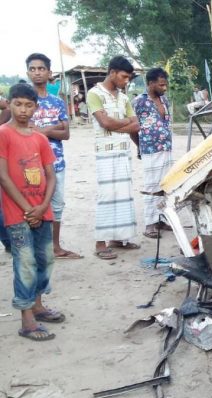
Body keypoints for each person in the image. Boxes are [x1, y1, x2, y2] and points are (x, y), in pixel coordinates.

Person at [0, 83, 64, 341]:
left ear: (36, 108)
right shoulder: (3, 133)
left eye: (29, 105)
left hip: (42, 210)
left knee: (45, 258)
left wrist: (42, 206)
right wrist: (28, 209)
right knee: (25, 262)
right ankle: (27, 319)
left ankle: (38, 305)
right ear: (9, 104)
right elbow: (3, 176)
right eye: (18, 104)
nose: (23, 110)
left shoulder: (39, 138)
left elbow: (51, 175)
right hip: (18, 213)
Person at [26, 53, 82, 259]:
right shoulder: (23, 101)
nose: (37, 72)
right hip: (28, 164)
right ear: (27, 72)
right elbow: (22, 131)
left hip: (55, 162)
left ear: (49, 73)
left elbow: (65, 134)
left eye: (41, 69)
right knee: (31, 205)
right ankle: (32, 247)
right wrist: (53, 127)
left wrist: (42, 130)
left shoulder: (57, 102)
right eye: (32, 69)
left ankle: (55, 247)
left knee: (56, 204)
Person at [86, 55, 140, 260]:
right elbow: (105, 123)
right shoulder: (94, 94)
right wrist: (124, 123)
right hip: (105, 153)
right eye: (124, 76)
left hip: (123, 151)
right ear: (112, 73)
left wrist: (118, 123)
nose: (126, 81)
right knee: (107, 196)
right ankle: (100, 243)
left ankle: (118, 239)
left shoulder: (124, 97)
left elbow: (136, 125)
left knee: (123, 195)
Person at [131, 68, 173, 239]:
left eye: (165, 84)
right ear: (150, 84)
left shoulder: (164, 100)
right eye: (161, 84)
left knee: (165, 185)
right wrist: (139, 147)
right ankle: (150, 224)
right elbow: (132, 127)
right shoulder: (139, 102)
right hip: (150, 150)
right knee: (151, 186)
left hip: (166, 148)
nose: (164, 87)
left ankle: (161, 219)